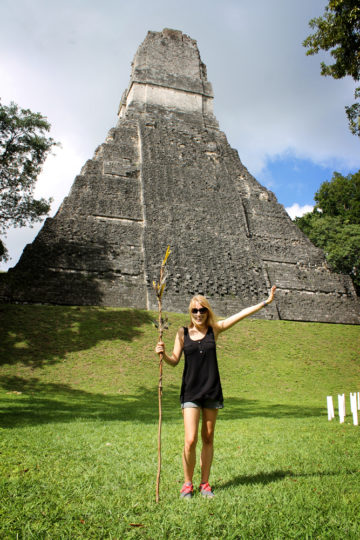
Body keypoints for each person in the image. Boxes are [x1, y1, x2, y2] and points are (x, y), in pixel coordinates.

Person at [155, 285, 276, 499]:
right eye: (195, 310)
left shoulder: (215, 329)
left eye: (202, 310)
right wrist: (162, 354)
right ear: (190, 312)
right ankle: (187, 484)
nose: (199, 314)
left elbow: (240, 315)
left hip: (211, 390)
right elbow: (174, 361)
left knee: (208, 438)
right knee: (190, 440)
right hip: (191, 392)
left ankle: (205, 484)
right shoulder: (182, 333)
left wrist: (265, 302)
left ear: (207, 311)